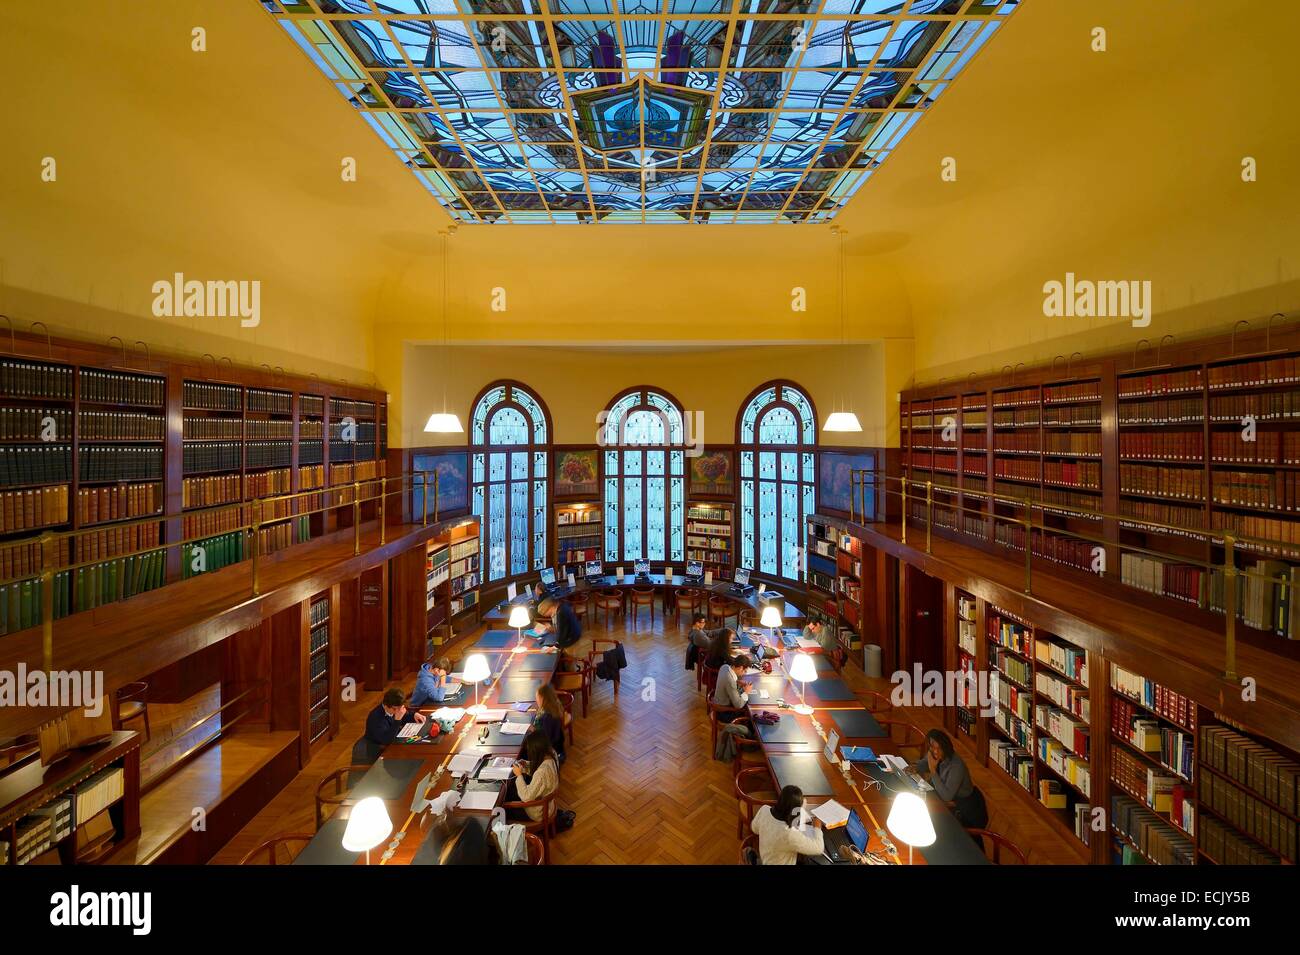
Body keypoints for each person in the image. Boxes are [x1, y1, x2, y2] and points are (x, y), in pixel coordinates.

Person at [914, 728, 988, 828]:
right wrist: (915, 767)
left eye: (939, 748)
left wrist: (933, 770)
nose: (935, 751)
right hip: (945, 801)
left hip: (962, 808)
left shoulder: (956, 766)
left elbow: (946, 796)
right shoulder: (934, 753)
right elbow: (925, 762)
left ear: (946, 747)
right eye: (932, 747)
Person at [751, 785, 825, 865]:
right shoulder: (789, 834)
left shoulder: (764, 809)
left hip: (765, 857)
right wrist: (817, 828)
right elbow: (818, 848)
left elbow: (754, 828)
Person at [506, 729, 560, 824]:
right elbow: (541, 774)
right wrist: (526, 765)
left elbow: (526, 797)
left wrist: (519, 775)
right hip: (547, 805)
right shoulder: (552, 754)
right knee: (510, 790)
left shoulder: (541, 773)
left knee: (502, 807)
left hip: (538, 812)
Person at [533, 683, 568, 763]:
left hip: (551, 751)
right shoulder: (553, 707)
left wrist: (533, 730)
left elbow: (546, 739)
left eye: (537, 698)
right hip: (557, 746)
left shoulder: (547, 717)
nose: (536, 700)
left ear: (543, 699)